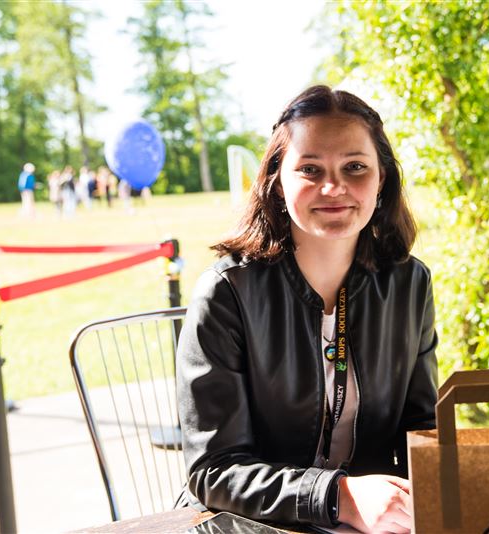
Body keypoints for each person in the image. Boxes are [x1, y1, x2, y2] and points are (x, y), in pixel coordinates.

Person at [176, 85, 437, 533]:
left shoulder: (409, 283)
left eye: (355, 167)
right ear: (278, 182)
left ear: (382, 179)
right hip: (248, 523)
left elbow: (421, 427)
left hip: (374, 523)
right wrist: (340, 496)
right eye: (310, 169)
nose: (333, 187)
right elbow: (213, 470)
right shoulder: (225, 292)